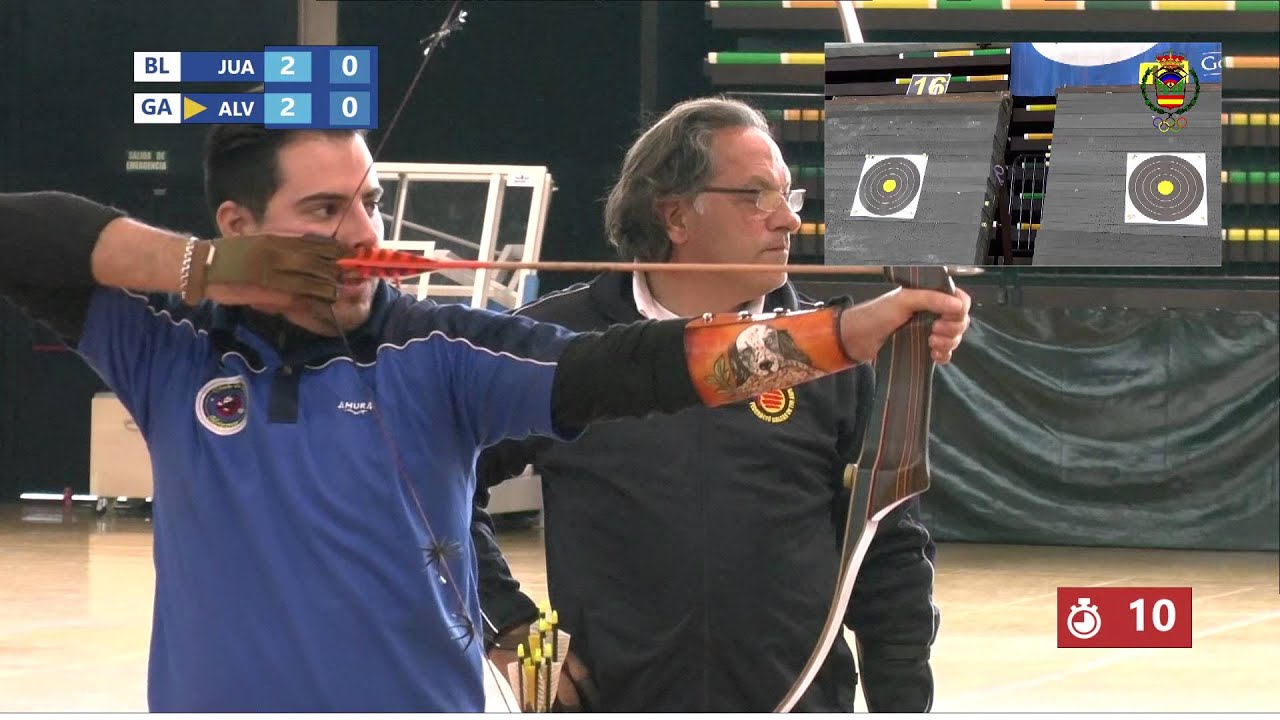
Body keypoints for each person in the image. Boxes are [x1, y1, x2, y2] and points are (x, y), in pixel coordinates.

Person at [0, 120, 970, 712]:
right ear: (239, 229)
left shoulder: (438, 352)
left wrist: (847, 329)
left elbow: (640, 367)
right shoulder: (170, 357)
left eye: (368, 204)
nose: (361, 234)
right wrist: (202, 276)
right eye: (324, 211)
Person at [474, 97, 942, 712]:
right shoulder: (561, 344)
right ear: (675, 215)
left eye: (788, 196)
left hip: (796, 700)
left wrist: (902, 704)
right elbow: (433, 486)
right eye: (756, 197)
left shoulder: (831, 349)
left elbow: (886, 548)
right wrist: (507, 623)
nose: (788, 222)